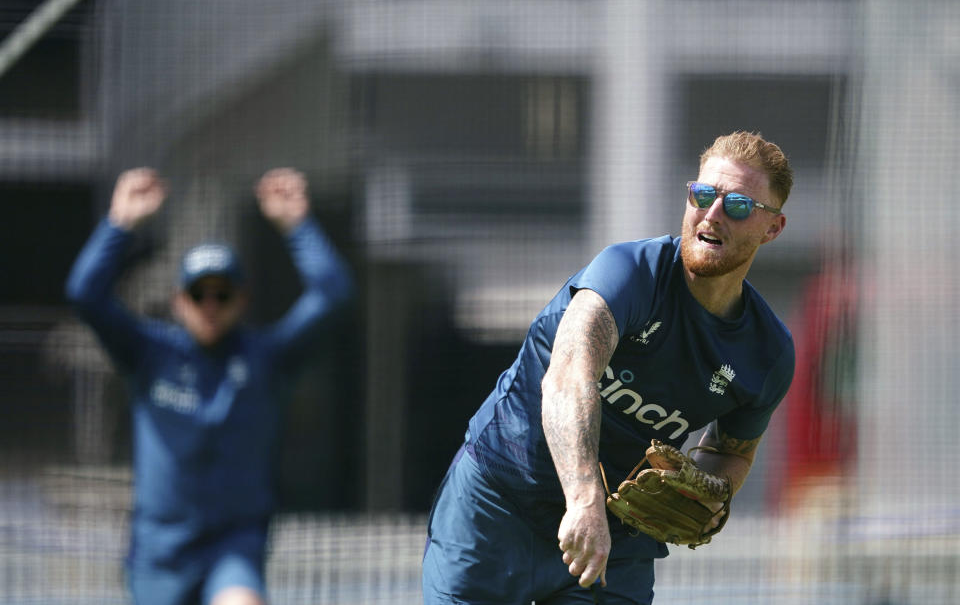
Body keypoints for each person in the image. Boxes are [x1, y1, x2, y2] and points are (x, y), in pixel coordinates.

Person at [422, 131, 795, 604]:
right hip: (499, 506)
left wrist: (705, 487)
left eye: (739, 205)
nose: (713, 213)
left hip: (617, 541)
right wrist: (583, 501)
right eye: (703, 195)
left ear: (773, 228)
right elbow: (567, 378)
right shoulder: (629, 272)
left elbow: (733, 451)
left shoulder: (768, 353)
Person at [65, 167, 353, 605]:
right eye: (199, 294)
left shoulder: (267, 359)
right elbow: (85, 293)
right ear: (180, 301)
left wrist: (297, 225)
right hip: (161, 554)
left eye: (223, 294)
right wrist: (120, 224)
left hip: (233, 545)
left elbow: (333, 294)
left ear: (243, 299)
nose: (211, 305)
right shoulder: (148, 352)